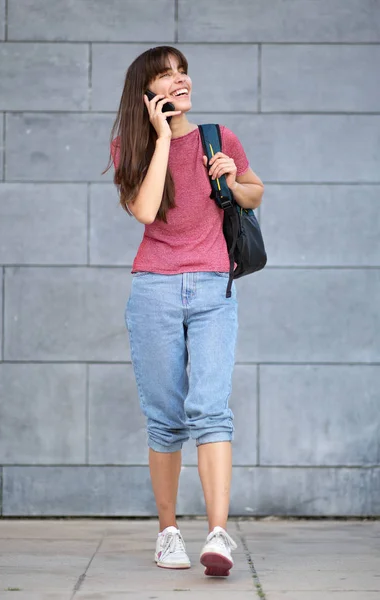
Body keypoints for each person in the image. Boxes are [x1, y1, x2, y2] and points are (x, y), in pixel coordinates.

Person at [106, 46, 264, 577]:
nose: (180, 81)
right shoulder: (130, 145)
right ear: (147, 94)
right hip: (154, 289)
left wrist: (230, 178)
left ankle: (218, 535)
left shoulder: (220, 138)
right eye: (165, 77)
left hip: (213, 286)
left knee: (212, 408)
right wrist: (161, 140)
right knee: (166, 420)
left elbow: (254, 193)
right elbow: (146, 210)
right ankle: (168, 533)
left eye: (181, 72)